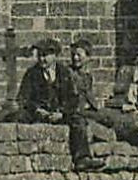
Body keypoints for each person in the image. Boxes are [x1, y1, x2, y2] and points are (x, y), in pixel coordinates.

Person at [16, 38, 103, 172]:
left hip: (60, 114)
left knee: (78, 121)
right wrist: (37, 110)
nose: (42, 59)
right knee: (19, 116)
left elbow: (73, 99)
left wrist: (62, 113)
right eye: (40, 55)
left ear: (55, 56)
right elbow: (23, 99)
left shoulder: (64, 73)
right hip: (39, 114)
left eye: (46, 56)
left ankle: (82, 159)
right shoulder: (31, 73)